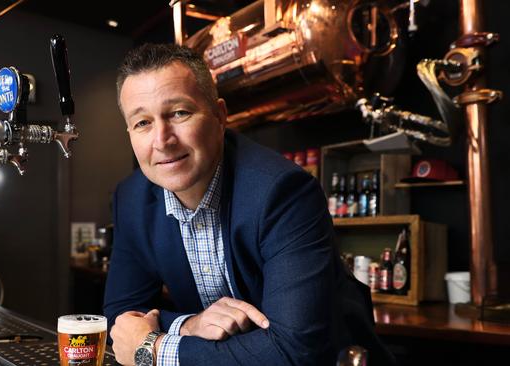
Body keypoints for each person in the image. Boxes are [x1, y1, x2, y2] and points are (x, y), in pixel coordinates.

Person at [104, 43, 394, 366]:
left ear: (220, 116)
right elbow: (124, 320)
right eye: (142, 122)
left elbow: (293, 350)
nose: (162, 140)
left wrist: (155, 350)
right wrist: (191, 325)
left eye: (179, 113)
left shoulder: (283, 192)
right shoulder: (132, 199)